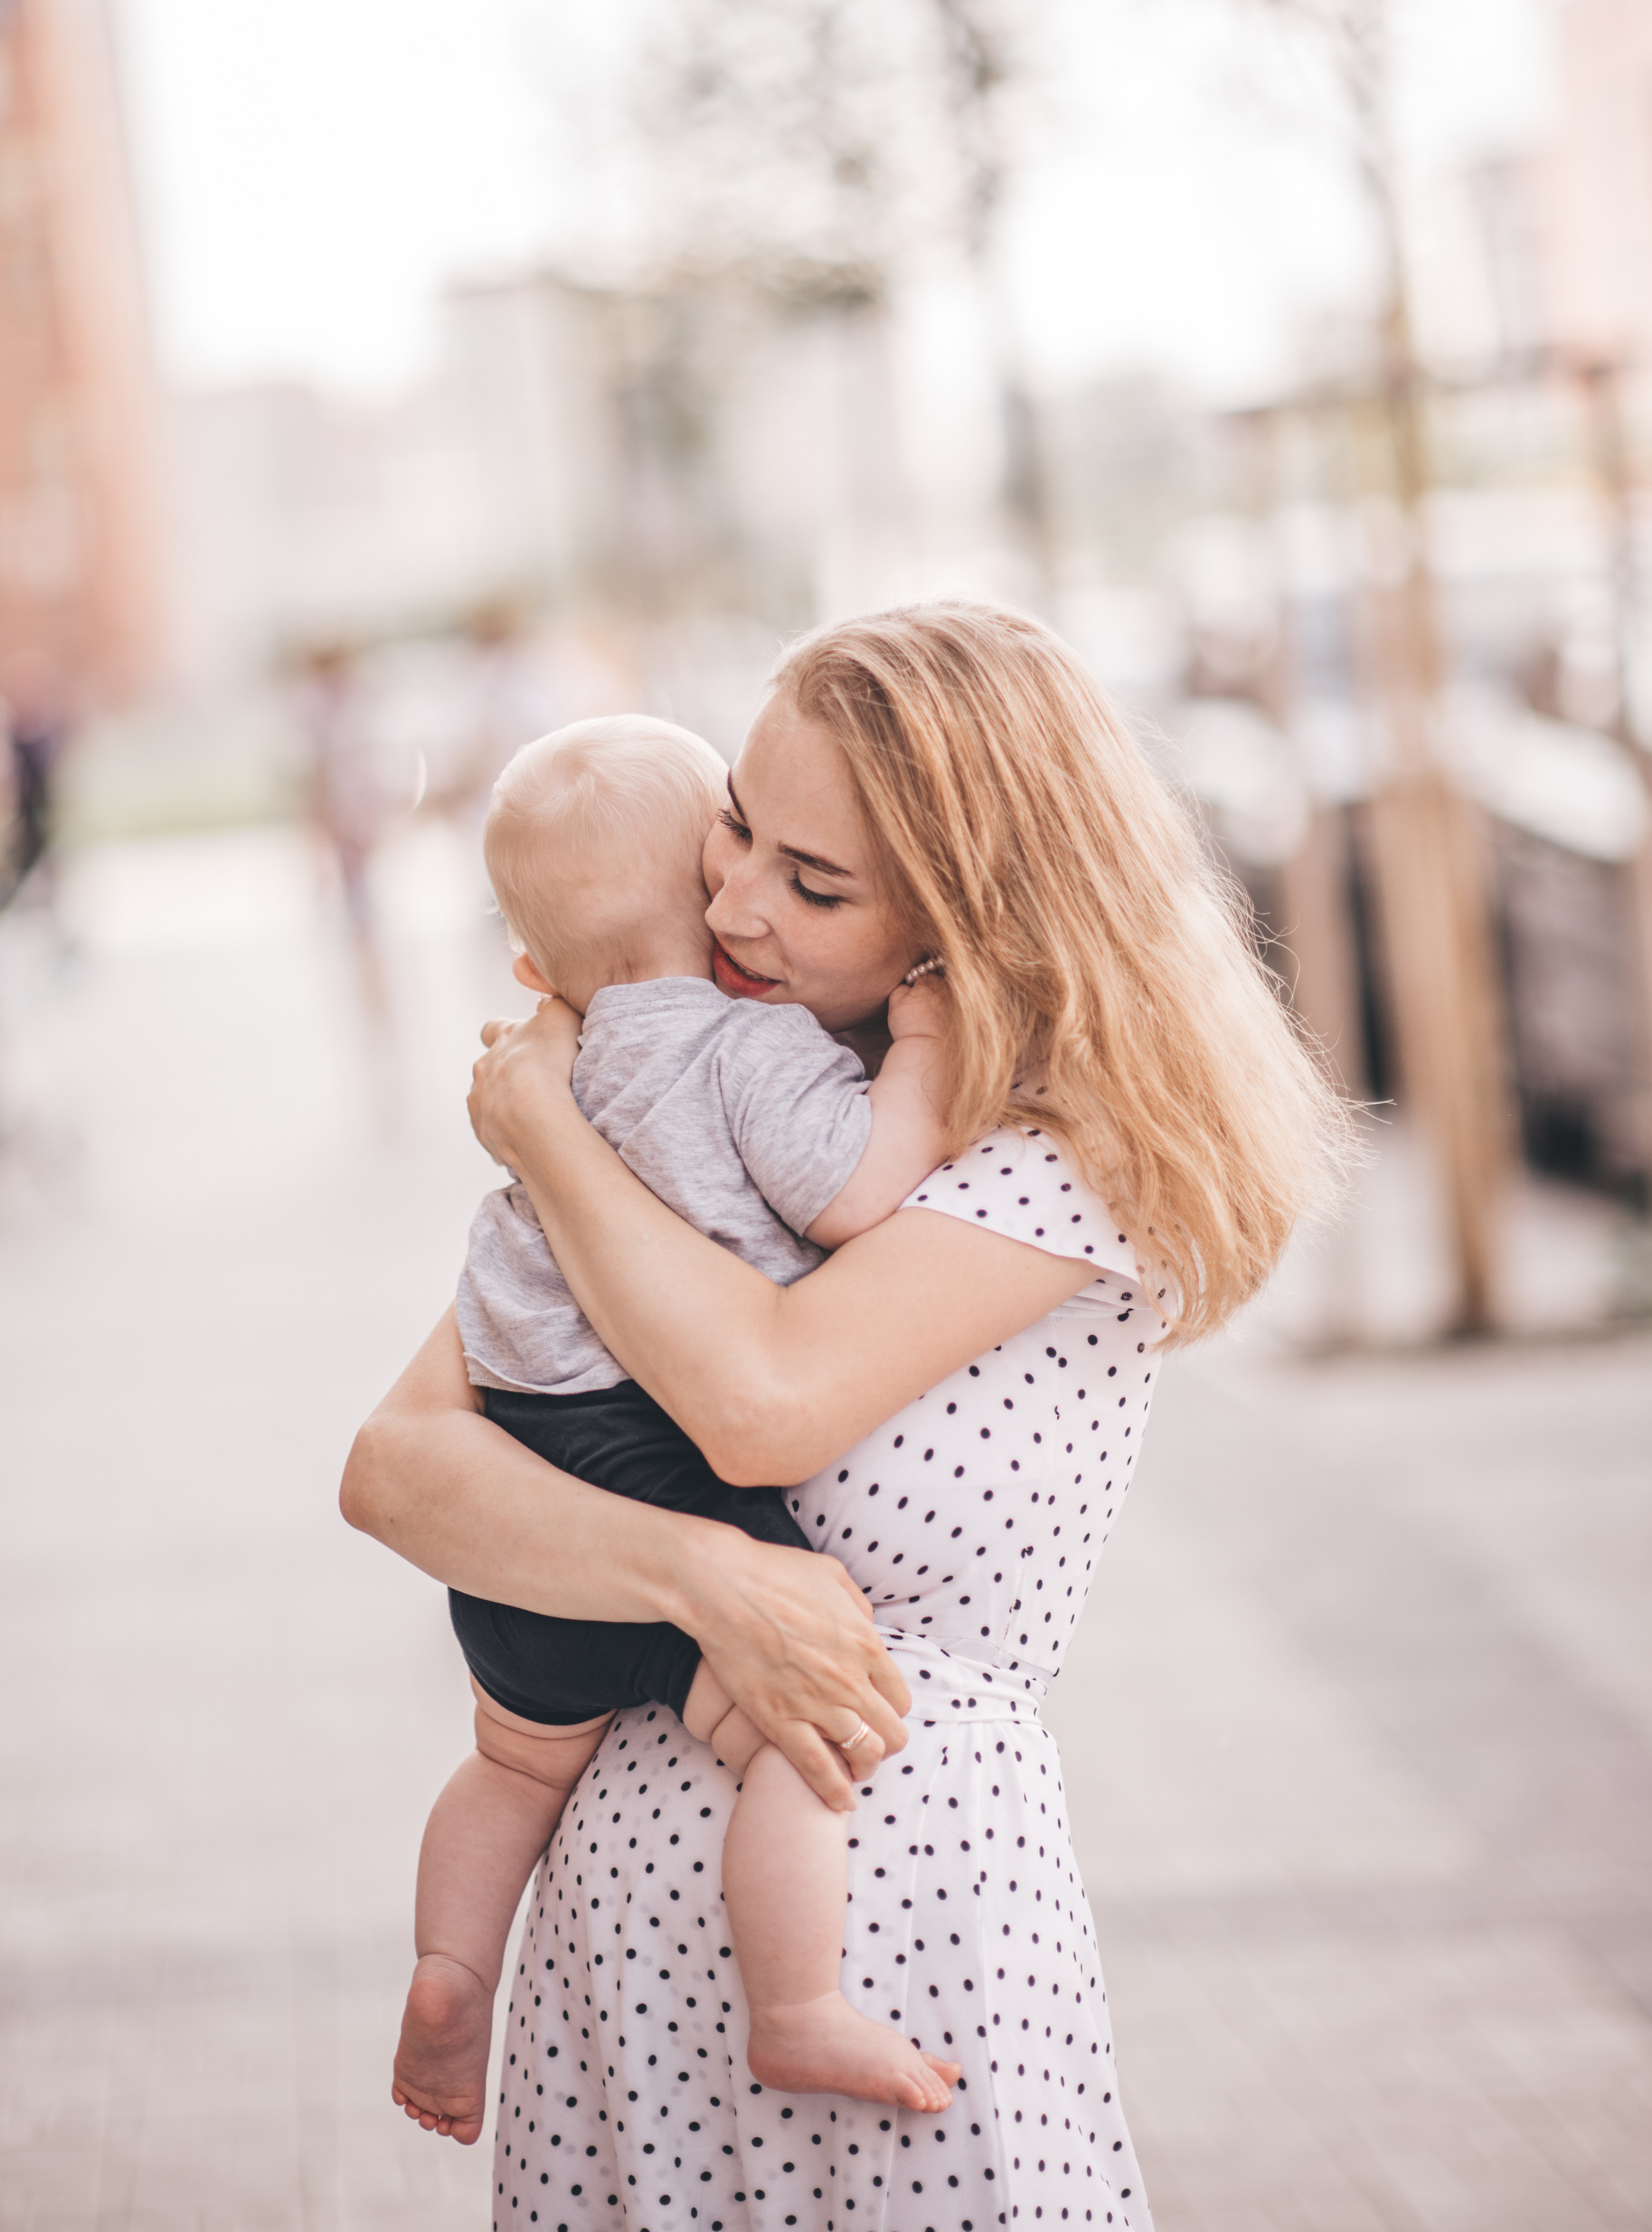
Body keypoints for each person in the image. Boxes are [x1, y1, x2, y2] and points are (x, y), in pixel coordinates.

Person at [342, 601, 1345, 2230]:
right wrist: (699, 1581)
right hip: (617, 1932)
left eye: (812, 884)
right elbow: (396, 1471)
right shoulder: (735, 1089)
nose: (729, 900)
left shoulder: (1065, 1160)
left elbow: (757, 1411)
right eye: (737, 824)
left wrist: (544, 1132)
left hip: (889, 1922)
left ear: (971, 920)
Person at [393, 713, 960, 2142]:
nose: (751, 896)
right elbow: (851, 1191)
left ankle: (450, 1972)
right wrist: (922, 1057)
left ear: (532, 964)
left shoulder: (548, 1065)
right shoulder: (745, 1046)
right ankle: (798, 2006)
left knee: (511, 1764)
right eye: (737, 839)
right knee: (802, 1741)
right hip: (657, 1454)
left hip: (526, 1474)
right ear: (712, 911)